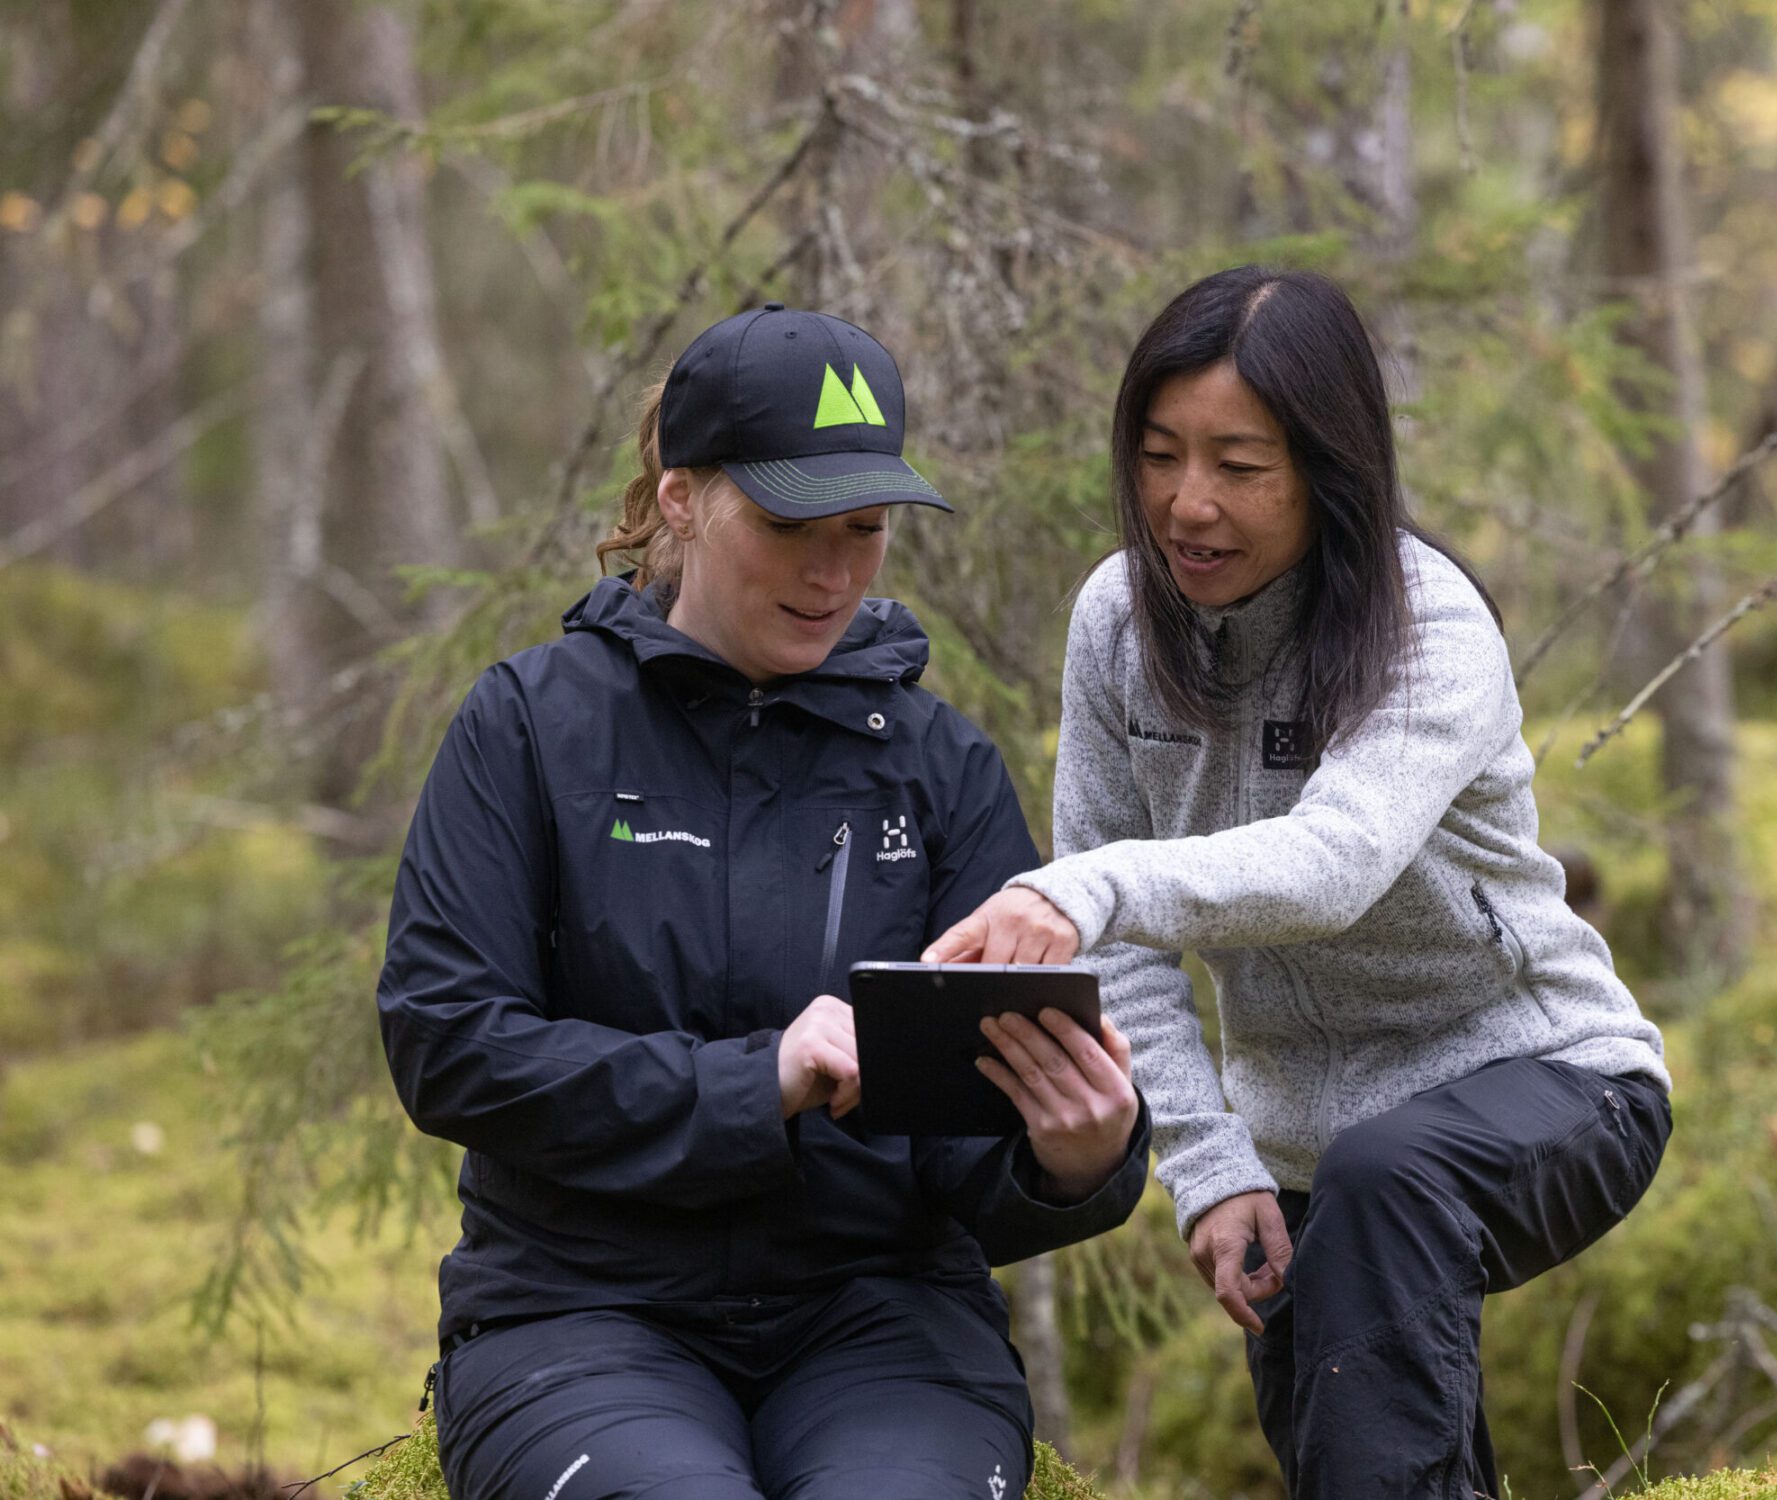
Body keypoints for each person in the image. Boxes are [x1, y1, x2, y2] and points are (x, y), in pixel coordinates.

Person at [377, 304, 1148, 1500]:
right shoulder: (530, 727)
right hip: (578, 1315)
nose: (833, 569)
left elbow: (967, 1149)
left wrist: (1073, 1159)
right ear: (681, 496)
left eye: (866, 527)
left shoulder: (937, 767)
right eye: (791, 522)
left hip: (885, 1331)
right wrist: (756, 1081)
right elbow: (448, 1044)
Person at [924, 267, 1672, 1498]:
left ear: (1328, 468)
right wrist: (1214, 1170)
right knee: (1349, 1436)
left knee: (1391, 1183)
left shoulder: (1427, 623)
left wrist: (1091, 884)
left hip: (1550, 1079)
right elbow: (1124, 961)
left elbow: (1332, 867)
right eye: (1161, 456)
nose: (1189, 504)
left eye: (1240, 465)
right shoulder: (1118, 622)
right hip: (1307, 1155)